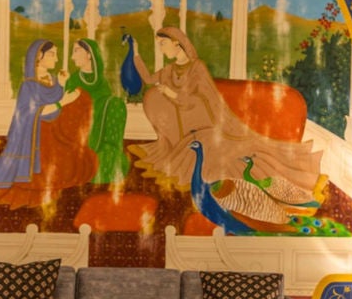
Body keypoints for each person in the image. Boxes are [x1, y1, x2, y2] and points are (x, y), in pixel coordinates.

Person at [130, 26, 321, 201]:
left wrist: (171, 93)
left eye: (163, 44)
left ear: (177, 43)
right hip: (187, 130)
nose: (161, 49)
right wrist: (135, 53)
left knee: (223, 157)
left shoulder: (197, 68)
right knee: (187, 153)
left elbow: (195, 101)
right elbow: (148, 79)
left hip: (207, 126)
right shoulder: (169, 70)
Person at [0, 39, 95, 205]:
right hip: (35, 135)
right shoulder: (29, 86)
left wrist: (62, 85)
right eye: (52, 54)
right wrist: (63, 102)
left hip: (53, 130)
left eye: (56, 54)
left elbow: (56, 100)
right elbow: (31, 113)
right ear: (38, 56)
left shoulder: (54, 79)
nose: (56, 59)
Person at [66, 37, 129, 187]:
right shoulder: (73, 80)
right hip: (81, 131)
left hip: (100, 127)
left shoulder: (101, 81)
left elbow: (106, 104)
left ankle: (110, 150)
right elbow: (67, 109)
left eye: (76, 51)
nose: (72, 57)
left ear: (89, 54)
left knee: (116, 104)